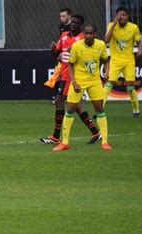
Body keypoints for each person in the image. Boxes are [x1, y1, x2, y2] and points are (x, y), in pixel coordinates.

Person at [40, 14, 101, 145]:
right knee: (77, 106)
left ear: (81, 25)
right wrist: (53, 49)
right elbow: (58, 55)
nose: (73, 24)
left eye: (76, 23)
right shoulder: (64, 36)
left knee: (59, 101)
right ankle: (96, 132)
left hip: (72, 76)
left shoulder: (82, 39)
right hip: (64, 74)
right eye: (72, 22)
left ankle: (56, 136)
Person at [53, 24, 111, 151]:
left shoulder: (100, 45)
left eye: (91, 33)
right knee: (71, 109)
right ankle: (65, 142)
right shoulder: (77, 46)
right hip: (79, 80)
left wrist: (107, 71)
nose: (88, 35)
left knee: (99, 109)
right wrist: (74, 82)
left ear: (95, 33)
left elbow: (106, 60)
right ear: (83, 34)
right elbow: (70, 65)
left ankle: (105, 142)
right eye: (86, 33)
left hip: (94, 81)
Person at [104, 6, 142, 117]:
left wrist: (139, 49)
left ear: (128, 17)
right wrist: (113, 25)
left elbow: (139, 41)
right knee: (109, 83)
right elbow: (106, 40)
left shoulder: (134, 28)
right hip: (115, 60)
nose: (121, 17)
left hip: (129, 61)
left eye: (124, 15)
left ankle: (136, 109)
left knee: (130, 87)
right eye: (119, 15)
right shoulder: (111, 25)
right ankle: (100, 108)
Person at [45, 8, 73, 104]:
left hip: (71, 55)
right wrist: (56, 47)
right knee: (58, 76)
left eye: (64, 16)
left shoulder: (73, 26)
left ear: (69, 16)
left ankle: (62, 97)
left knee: (63, 76)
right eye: (60, 16)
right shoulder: (61, 27)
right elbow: (62, 40)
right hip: (63, 55)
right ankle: (58, 97)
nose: (61, 18)